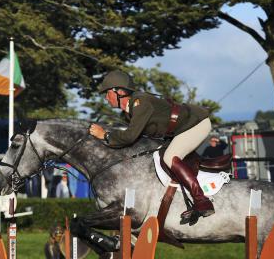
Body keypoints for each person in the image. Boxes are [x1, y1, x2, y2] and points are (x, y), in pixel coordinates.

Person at [89, 70, 214, 225]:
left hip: (195, 124)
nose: (106, 97)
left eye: (108, 93)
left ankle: (202, 201)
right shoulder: (132, 108)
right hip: (179, 130)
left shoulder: (140, 103)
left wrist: (105, 135)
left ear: (119, 92)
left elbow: (129, 136)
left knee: (170, 157)